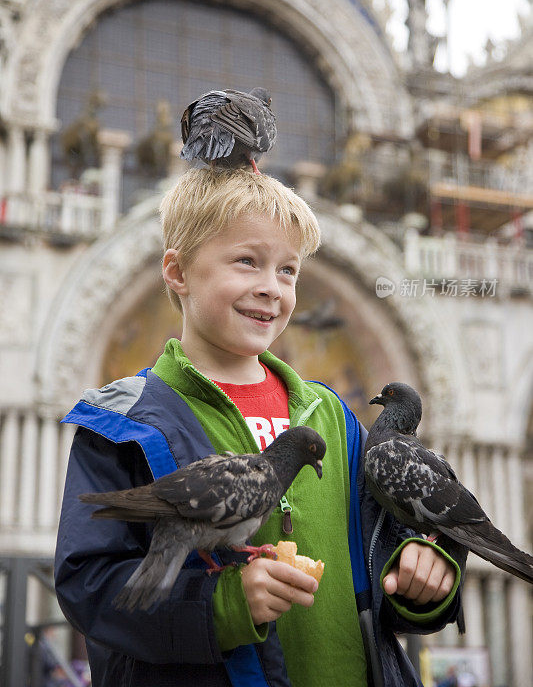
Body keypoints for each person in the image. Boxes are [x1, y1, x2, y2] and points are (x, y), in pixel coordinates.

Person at [55, 167, 465, 687]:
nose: (271, 288)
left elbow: (389, 549)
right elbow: (88, 586)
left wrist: (426, 572)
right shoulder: (121, 422)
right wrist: (225, 605)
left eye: (288, 271)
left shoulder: (335, 419)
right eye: (247, 261)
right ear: (177, 272)